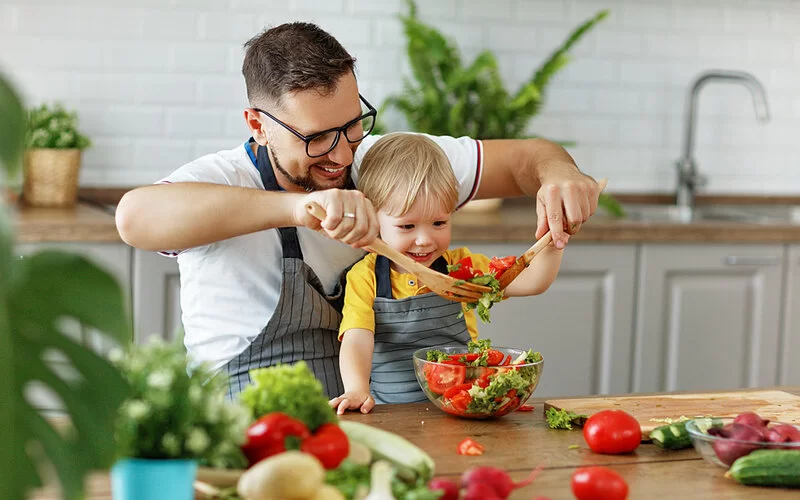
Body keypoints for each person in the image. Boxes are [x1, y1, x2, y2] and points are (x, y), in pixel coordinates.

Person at [114, 22, 601, 398]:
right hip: (245, 417)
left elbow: (527, 158)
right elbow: (134, 218)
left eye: (352, 125)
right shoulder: (220, 179)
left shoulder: (390, 162)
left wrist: (559, 174)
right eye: (317, 137)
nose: (343, 155)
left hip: (368, 413)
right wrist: (298, 207)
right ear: (258, 125)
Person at [328, 133, 564, 414]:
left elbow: (532, 281)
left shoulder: (462, 267)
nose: (425, 240)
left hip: (461, 407)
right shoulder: (365, 277)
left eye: (439, 222)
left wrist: (555, 237)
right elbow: (357, 338)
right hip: (391, 413)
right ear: (373, 216)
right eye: (407, 226)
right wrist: (356, 389)